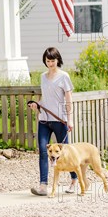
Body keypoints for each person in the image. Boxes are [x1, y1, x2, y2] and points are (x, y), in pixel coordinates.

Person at [28, 47, 77, 196]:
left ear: (58, 60)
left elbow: (68, 100)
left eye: (53, 61)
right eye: (48, 61)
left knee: (66, 153)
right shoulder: (43, 76)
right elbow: (45, 97)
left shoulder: (64, 76)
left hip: (59, 120)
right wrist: (37, 106)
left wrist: (70, 119)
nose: (50, 64)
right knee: (43, 151)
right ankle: (43, 186)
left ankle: (74, 180)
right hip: (44, 119)